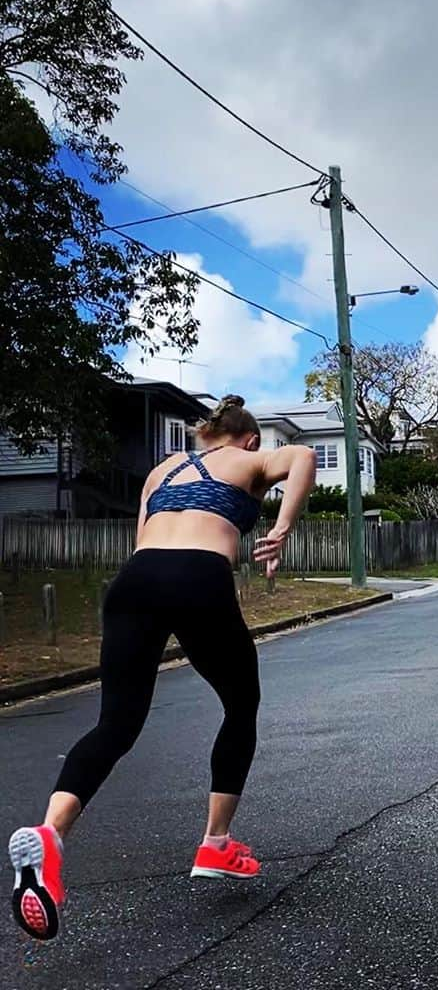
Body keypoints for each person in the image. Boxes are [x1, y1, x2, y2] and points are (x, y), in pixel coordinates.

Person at [8, 395, 317, 941]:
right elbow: (302, 458)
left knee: (116, 725)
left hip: (134, 581)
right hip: (198, 576)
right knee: (241, 704)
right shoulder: (249, 459)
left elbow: (143, 541)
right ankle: (216, 843)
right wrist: (283, 527)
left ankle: (51, 834)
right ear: (248, 439)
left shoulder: (159, 472)